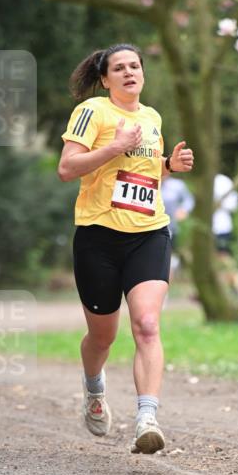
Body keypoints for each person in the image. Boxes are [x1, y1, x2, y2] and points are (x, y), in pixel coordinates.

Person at [57, 44, 193, 453]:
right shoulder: (93, 112)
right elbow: (67, 169)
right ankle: (94, 388)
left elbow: (144, 172)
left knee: (148, 325)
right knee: (102, 338)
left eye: (135, 66)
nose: (130, 72)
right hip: (98, 237)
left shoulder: (151, 117)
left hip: (150, 232)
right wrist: (114, 146)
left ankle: (146, 418)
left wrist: (170, 165)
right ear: (105, 79)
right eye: (120, 68)